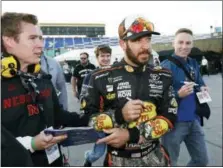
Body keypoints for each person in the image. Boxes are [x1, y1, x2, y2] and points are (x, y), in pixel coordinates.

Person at [81, 15, 177, 166]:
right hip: (118, 160)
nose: (145, 46)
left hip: (155, 157)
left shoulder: (163, 75)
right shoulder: (100, 78)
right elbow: (88, 120)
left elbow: (170, 116)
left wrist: (131, 135)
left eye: (148, 39)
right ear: (123, 44)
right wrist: (119, 115)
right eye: (138, 40)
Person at [1, 12, 90, 167]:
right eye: (32, 38)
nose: (41, 44)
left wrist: (90, 118)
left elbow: (57, 115)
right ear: (9, 41)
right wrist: (33, 144)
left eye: (40, 38)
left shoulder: (43, 78)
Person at [161, 28, 209, 166]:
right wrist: (178, 95)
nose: (184, 46)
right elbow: (159, 98)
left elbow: (199, 83)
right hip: (173, 123)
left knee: (201, 160)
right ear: (173, 43)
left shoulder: (193, 63)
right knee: (170, 163)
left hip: (194, 120)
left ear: (192, 45)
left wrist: (203, 88)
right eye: (180, 42)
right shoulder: (165, 67)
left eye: (188, 43)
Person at [81, 45, 112, 167]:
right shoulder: (90, 75)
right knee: (98, 152)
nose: (105, 58)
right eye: (102, 56)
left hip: (116, 118)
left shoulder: (116, 72)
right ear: (97, 57)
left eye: (108, 56)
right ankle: (88, 159)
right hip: (98, 119)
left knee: (115, 150)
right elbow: (83, 96)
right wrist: (88, 115)